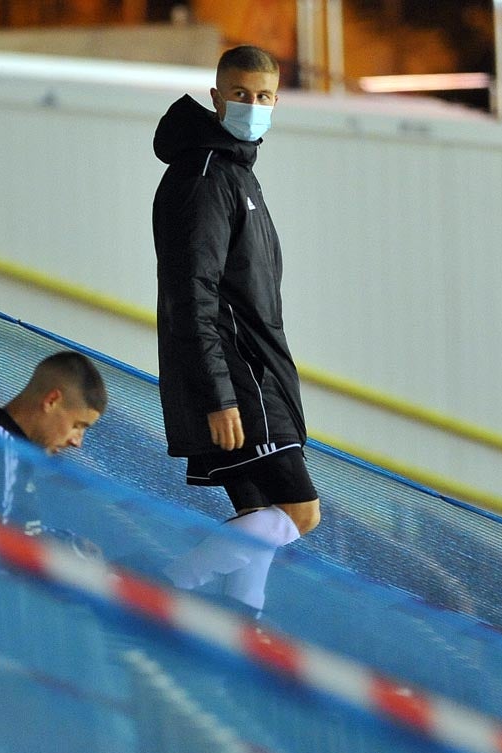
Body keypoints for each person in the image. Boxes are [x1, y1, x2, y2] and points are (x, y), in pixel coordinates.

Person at [152, 45, 320, 614]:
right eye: (242, 95)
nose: (253, 106)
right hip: (241, 378)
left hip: (255, 370)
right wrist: (219, 396)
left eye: (265, 97)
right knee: (299, 512)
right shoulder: (205, 175)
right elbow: (191, 294)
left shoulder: (234, 172)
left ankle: (243, 621)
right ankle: (163, 588)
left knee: (258, 515)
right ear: (216, 95)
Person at [0, 351, 106, 555]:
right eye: (77, 425)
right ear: (51, 400)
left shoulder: (12, 449)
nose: (77, 442)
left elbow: (14, 529)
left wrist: (64, 542)